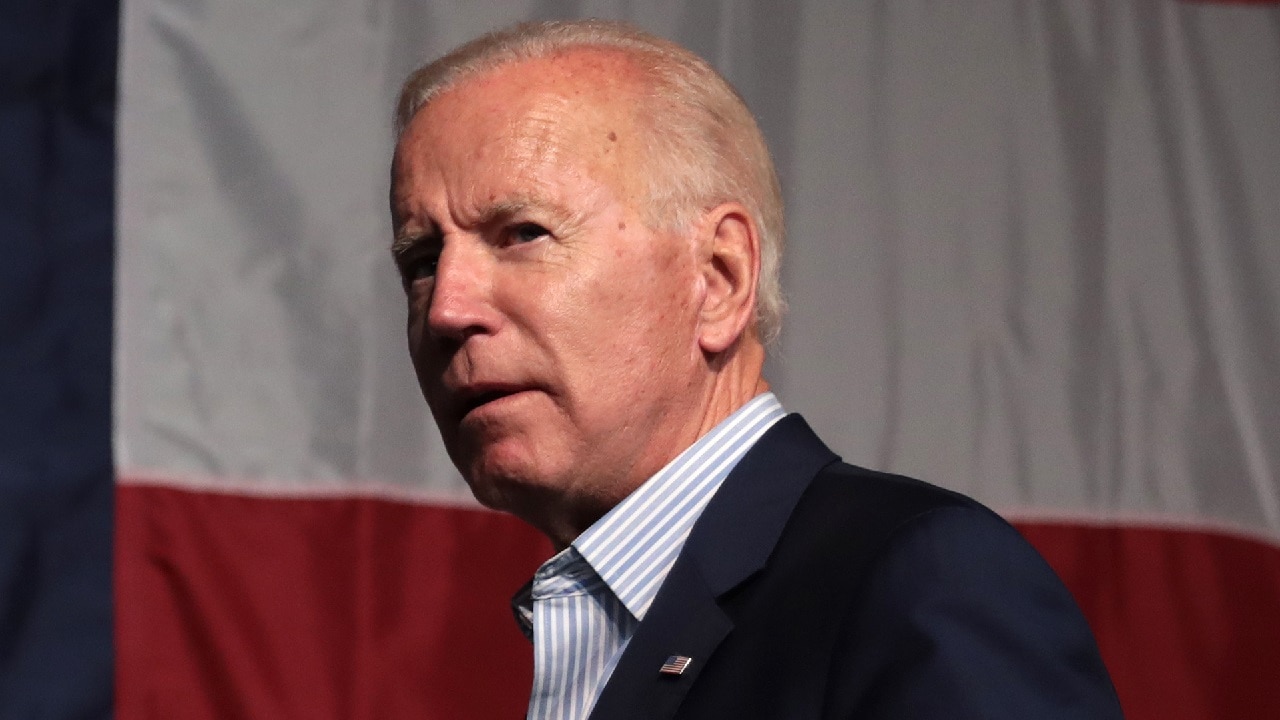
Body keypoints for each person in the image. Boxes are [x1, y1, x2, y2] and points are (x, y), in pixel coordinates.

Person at [389, 18, 1123, 720]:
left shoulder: (923, 580)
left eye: (522, 233)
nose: (448, 309)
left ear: (719, 277)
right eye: (423, 262)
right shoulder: (597, 627)